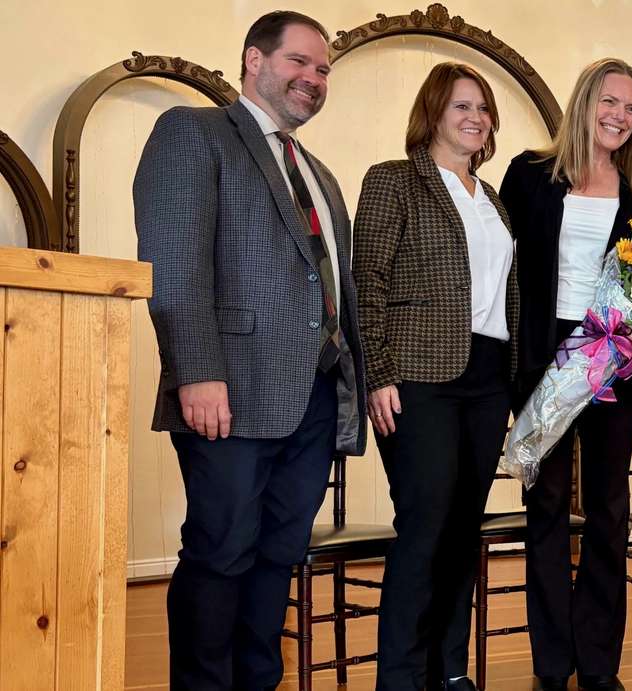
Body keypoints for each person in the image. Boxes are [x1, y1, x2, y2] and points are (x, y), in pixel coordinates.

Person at [134, 11, 365, 689]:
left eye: (322, 69)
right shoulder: (194, 133)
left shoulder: (317, 171)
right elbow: (174, 264)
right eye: (299, 62)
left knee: (278, 555)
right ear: (253, 60)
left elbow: (332, 285)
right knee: (221, 553)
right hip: (228, 391)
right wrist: (197, 372)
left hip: (315, 397)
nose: (313, 79)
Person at [498, 57, 632, 691]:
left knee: (609, 510)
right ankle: (551, 663)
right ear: (584, 101)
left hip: (614, 361)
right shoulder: (530, 174)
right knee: (543, 507)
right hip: (545, 358)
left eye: (630, 107)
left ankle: (597, 665)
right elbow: (504, 268)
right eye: (609, 101)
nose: (619, 115)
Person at [352, 62, 518, 691]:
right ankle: (398, 678)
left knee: (462, 530)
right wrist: (379, 373)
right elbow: (368, 280)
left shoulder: (494, 199)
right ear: (433, 114)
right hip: (418, 375)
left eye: (483, 109)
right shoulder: (394, 181)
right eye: (460, 107)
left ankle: (448, 671)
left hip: (486, 374)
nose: (474, 118)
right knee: (424, 526)